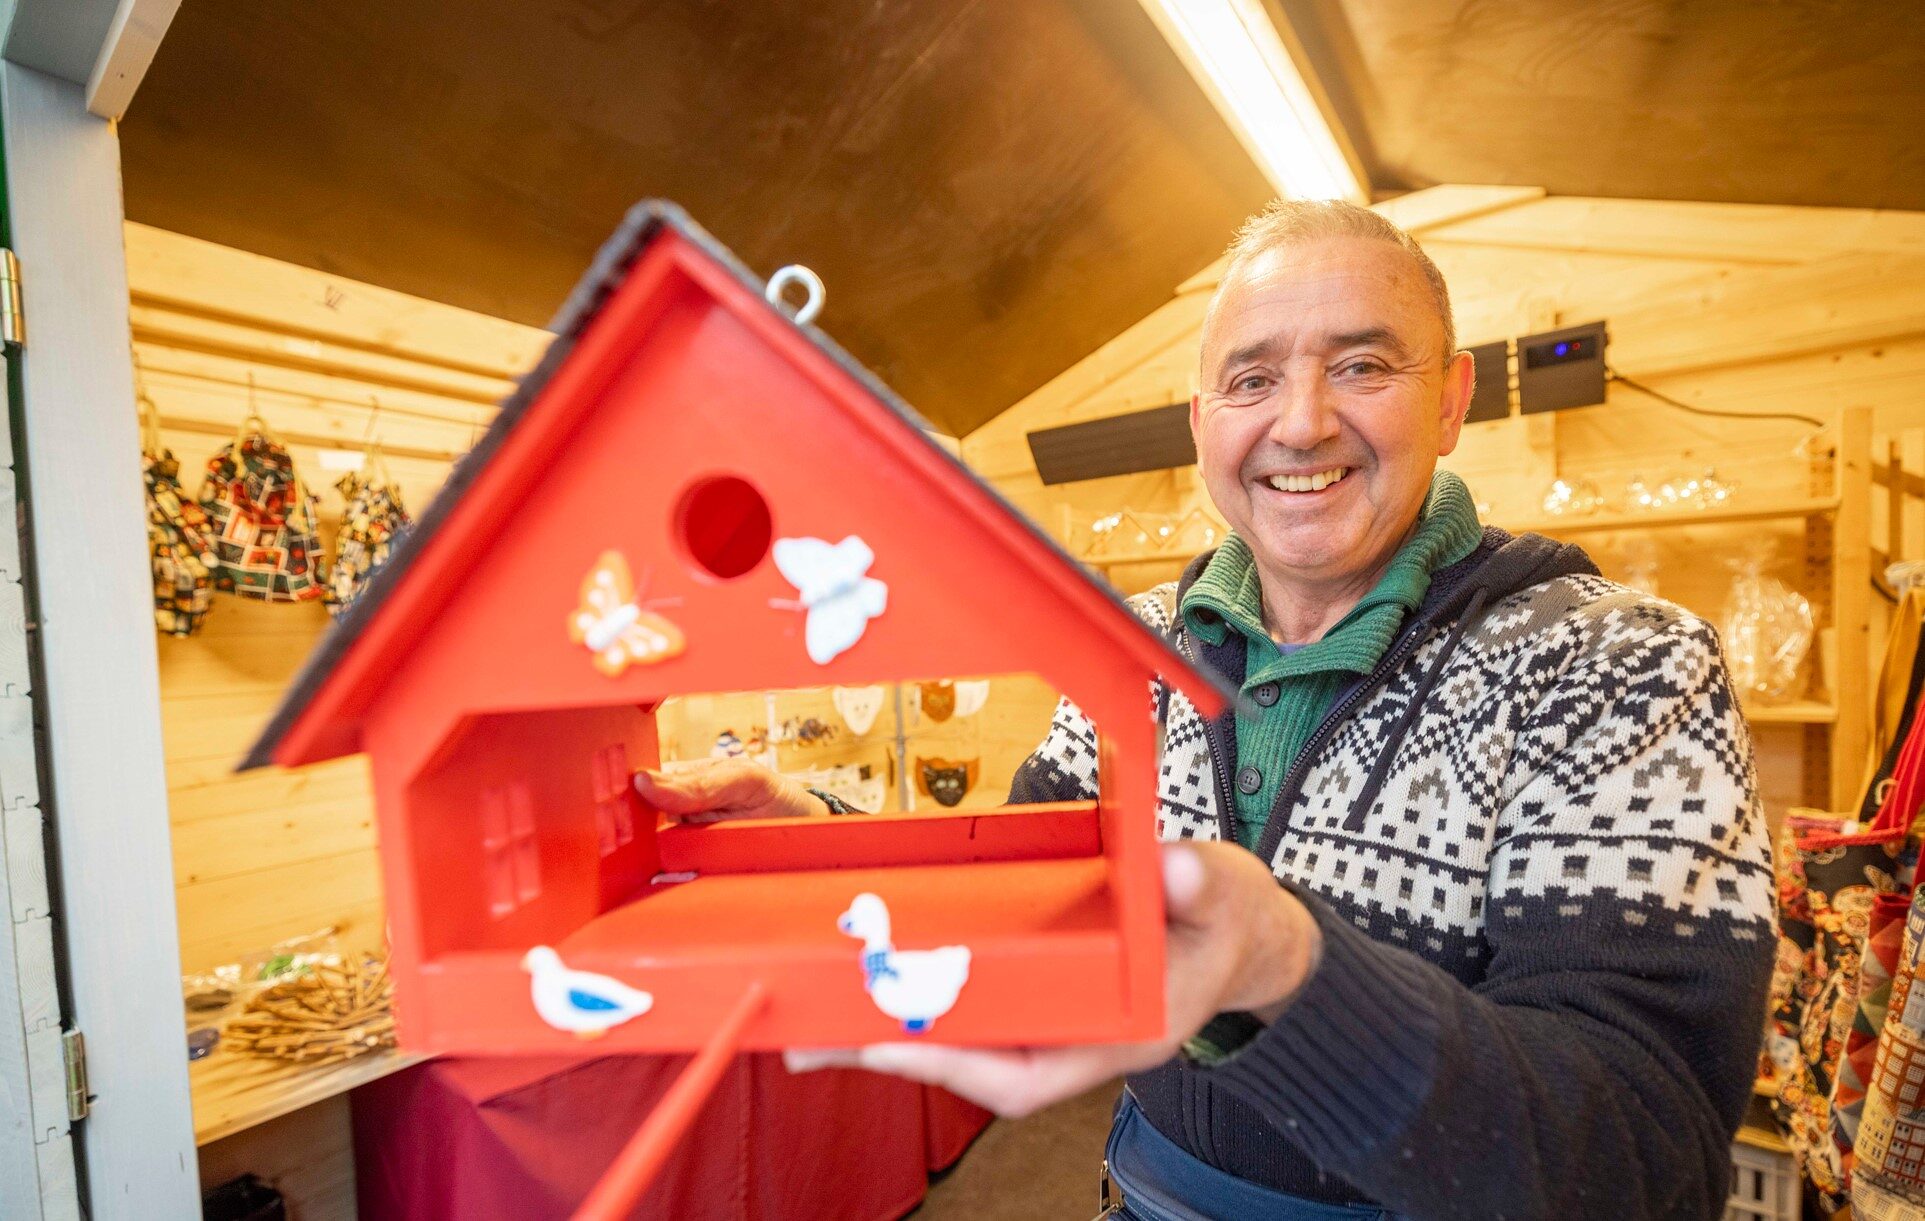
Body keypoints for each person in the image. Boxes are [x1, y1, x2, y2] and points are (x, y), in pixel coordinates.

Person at [636, 199, 1776, 1220]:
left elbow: (1645, 1151)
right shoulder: (1132, 647)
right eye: (1250, 379)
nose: (1299, 423)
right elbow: (1019, 895)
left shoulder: (1617, 666)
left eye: (1363, 365)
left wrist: (1286, 968)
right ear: (1200, 427)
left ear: (1449, 400)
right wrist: (817, 840)